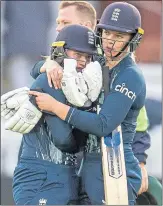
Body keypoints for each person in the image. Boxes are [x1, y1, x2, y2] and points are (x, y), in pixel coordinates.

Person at [29, 2, 149, 205]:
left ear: (133, 39)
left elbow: (103, 125)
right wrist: (47, 64)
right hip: (87, 165)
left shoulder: (130, 75)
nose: (110, 42)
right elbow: (38, 70)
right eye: (107, 33)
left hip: (116, 167)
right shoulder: (95, 61)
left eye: (119, 36)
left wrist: (55, 107)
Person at [2, 24, 102, 205]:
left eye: (87, 57)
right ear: (60, 52)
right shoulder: (50, 81)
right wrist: (87, 116)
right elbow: (65, 141)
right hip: (41, 178)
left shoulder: (79, 86)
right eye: (77, 54)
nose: (82, 61)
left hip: (64, 176)